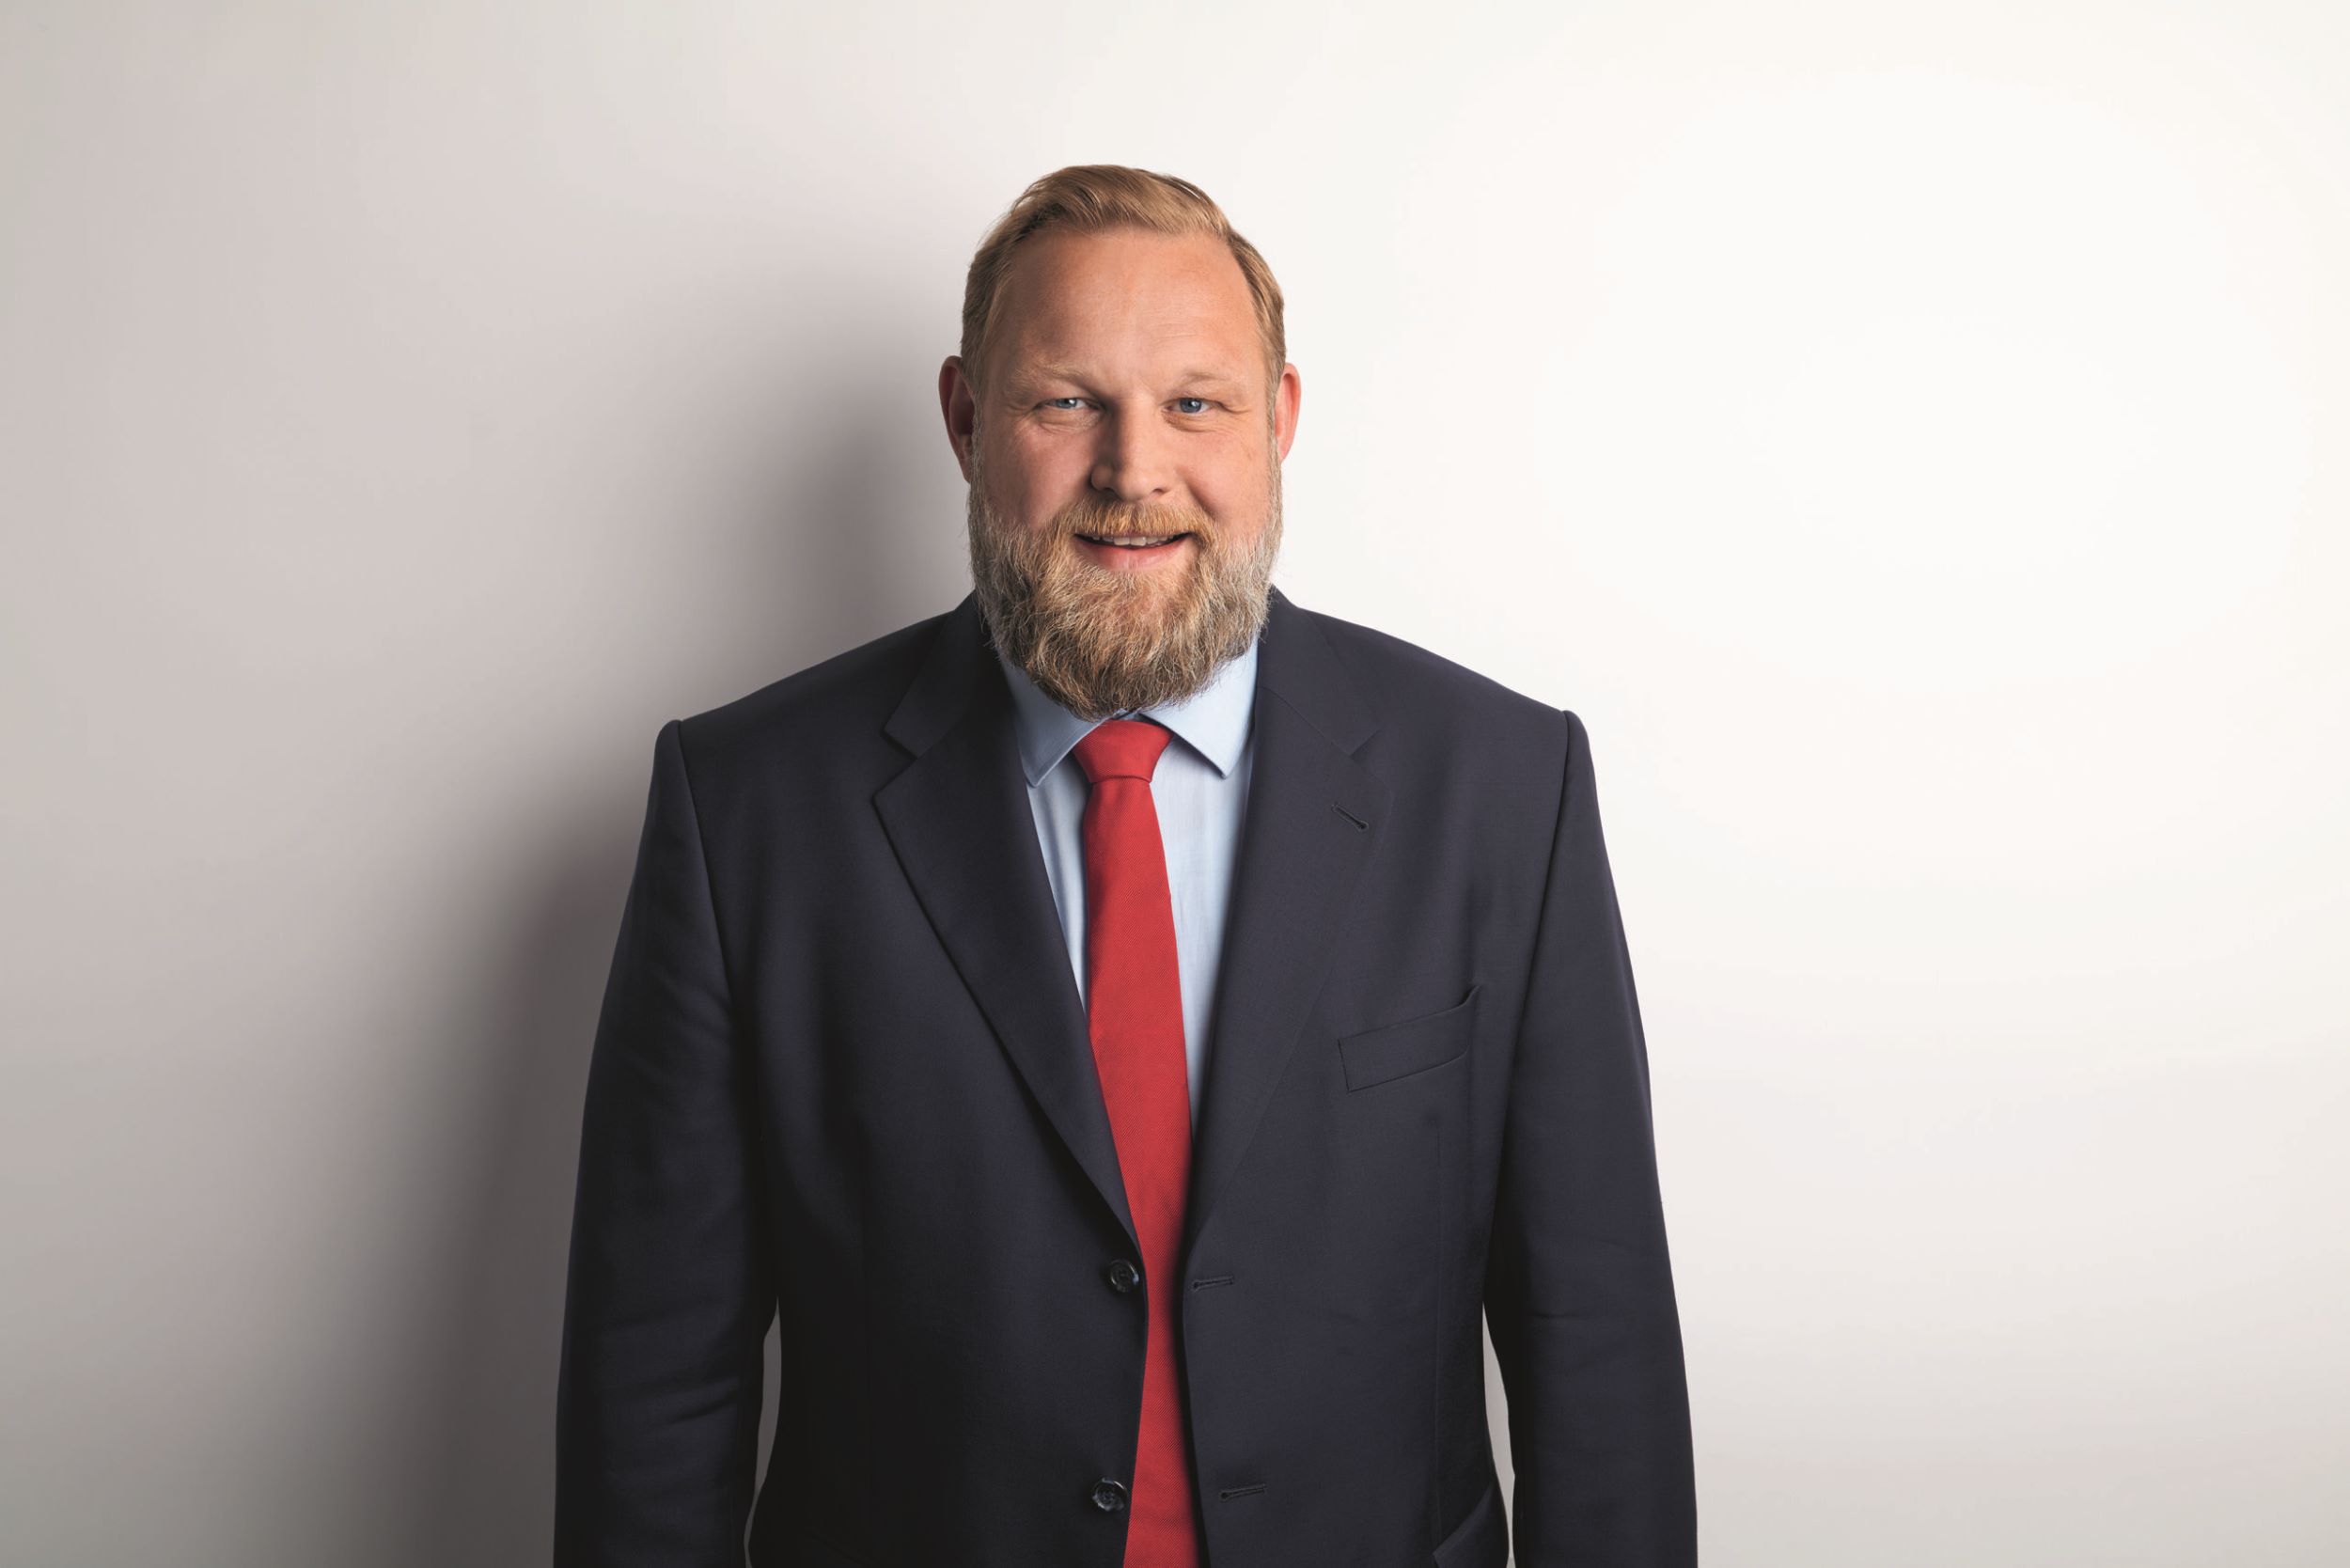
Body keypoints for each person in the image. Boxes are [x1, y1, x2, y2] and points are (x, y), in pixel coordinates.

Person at [554, 164, 1697, 1568]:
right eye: (1064, 402)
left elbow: (1598, 1350)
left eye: (1196, 404)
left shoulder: (1504, 787)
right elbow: (655, 1388)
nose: (1134, 472)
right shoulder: (747, 808)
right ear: (965, 419)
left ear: (1280, 420)